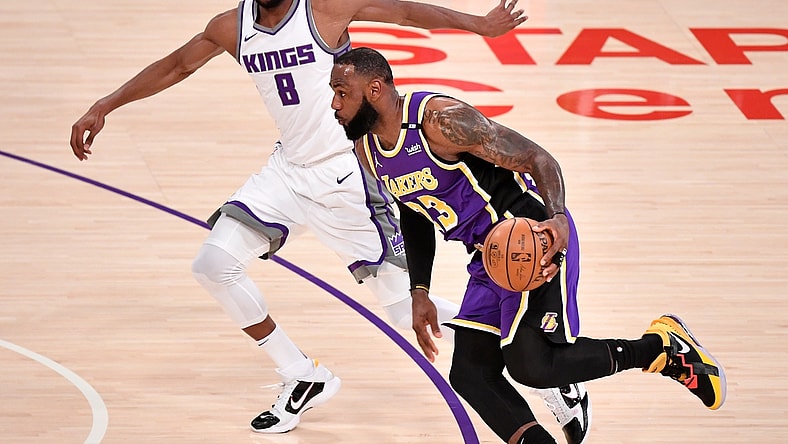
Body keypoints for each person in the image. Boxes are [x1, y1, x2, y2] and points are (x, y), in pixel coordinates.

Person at [68, 0, 585, 437]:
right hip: (287, 171)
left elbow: (403, 12)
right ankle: (302, 375)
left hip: (350, 174)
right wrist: (106, 104)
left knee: (405, 311)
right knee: (213, 264)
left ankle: (546, 366)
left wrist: (478, 24)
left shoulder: (323, 10)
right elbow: (178, 65)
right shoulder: (233, 27)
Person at [329, 46, 727, 444]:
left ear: (375, 89)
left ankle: (659, 348)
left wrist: (556, 216)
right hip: (489, 257)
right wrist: (420, 291)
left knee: (531, 363)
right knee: (470, 373)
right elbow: (414, 213)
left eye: (342, 92)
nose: (334, 104)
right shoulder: (368, 149)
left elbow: (539, 158)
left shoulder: (440, 121)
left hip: (531, 237)